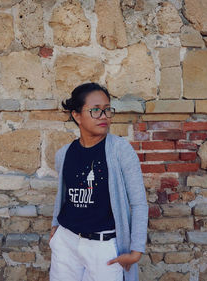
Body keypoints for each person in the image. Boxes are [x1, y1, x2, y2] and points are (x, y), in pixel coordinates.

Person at [49, 82, 149, 281]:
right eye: (95, 110)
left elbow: (138, 202)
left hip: (104, 248)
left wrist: (136, 250)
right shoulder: (64, 154)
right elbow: (63, 196)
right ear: (77, 115)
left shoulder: (120, 150)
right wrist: (55, 228)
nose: (103, 116)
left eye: (107, 110)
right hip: (66, 243)